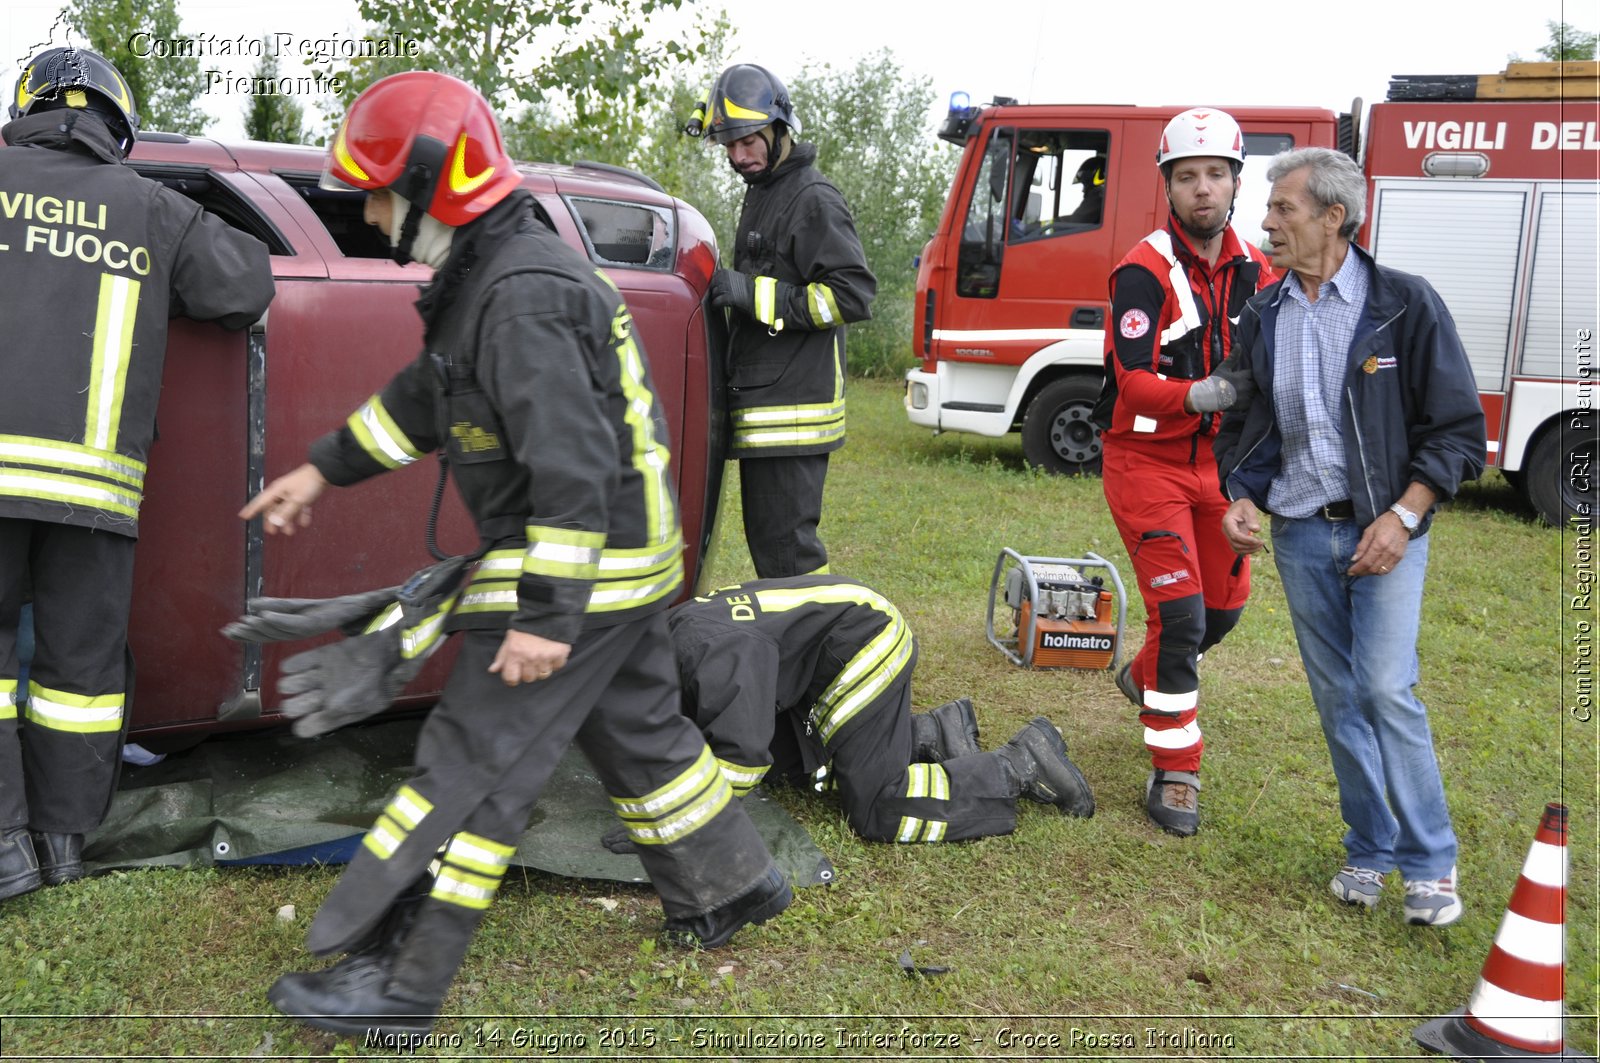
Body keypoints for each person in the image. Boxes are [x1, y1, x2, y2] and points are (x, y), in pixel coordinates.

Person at [241, 72, 788, 1041]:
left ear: (431, 185)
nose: (368, 214)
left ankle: (402, 979)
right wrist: (320, 471)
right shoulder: (490, 277)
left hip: (584, 558)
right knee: (640, 733)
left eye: (377, 192)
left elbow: (571, 468)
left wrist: (543, 619)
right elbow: (426, 396)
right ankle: (731, 883)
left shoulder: (521, 292)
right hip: (627, 556)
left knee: (474, 756)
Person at [0, 46, 275, 904]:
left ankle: (4, 850)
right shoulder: (153, 208)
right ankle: (64, 845)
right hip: (92, 495)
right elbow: (248, 285)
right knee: (79, 674)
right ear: (117, 126)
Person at [1215, 147, 1485, 927]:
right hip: (1301, 536)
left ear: (1334, 217)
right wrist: (1242, 496)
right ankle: (1369, 846)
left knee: (1383, 688)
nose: (1265, 223)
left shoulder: (1405, 303)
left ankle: (1430, 864)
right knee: (1339, 700)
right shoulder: (1263, 312)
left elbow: (1459, 430)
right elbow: (1245, 420)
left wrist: (1404, 515)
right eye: (1267, 211)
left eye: (1283, 210)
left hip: (1387, 532)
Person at [1093, 108, 1276, 837]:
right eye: (1187, 176)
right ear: (1167, 186)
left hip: (1220, 469)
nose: (1203, 188)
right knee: (1183, 617)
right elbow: (1132, 383)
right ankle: (1177, 768)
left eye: (1215, 174)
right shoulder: (1141, 271)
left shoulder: (1257, 270)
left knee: (1224, 612)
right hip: (1145, 463)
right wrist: (1205, 394)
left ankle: (1146, 678)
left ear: (1236, 182)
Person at [662, 576, 1094, 844]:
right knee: (789, 766)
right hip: (828, 643)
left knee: (880, 807)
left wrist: (680, 825)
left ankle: (1020, 764)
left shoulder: (709, 660)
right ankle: (930, 734)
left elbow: (741, 757)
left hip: (864, 641)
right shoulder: (672, 641)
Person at [694, 63, 876, 578]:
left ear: (779, 128)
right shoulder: (766, 190)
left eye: (748, 141)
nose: (738, 156)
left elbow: (851, 295)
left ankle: (806, 652)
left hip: (793, 416)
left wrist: (749, 293)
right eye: (728, 145)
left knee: (787, 560)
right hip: (767, 410)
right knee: (772, 554)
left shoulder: (812, 199)